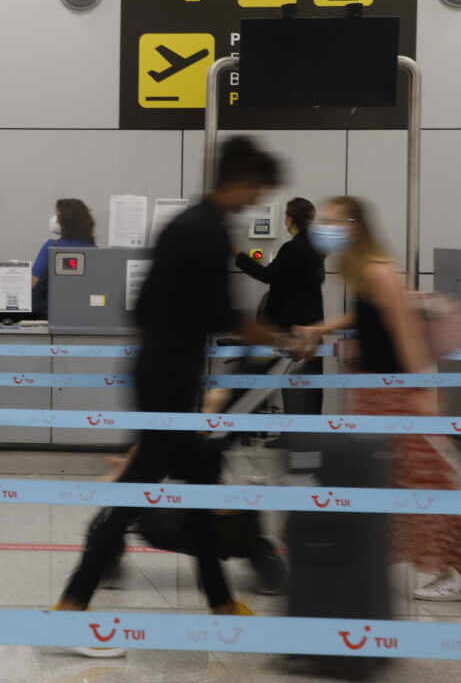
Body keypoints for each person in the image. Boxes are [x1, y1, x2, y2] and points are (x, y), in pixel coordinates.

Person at [54, 136, 287, 656]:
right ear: (241, 179)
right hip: (168, 380)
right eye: (257, 190)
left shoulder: (189, 224)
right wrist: (282, 337)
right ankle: (72, 604)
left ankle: (221, 605)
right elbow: (223, 316)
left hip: (163, 372)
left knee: (201, 490)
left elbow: (141, 309)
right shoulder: (204, 231)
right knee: (136, 492)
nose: (256, 201)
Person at [297, 196, 461, 602]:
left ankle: (456, 571)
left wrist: (422, 393)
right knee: (379, 477)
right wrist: (323, 328)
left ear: (355, 226)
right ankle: (372, 555)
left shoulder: (379, 270)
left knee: (423, 479)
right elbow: (367, 317)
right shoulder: (362, 273)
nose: (326, 228)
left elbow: (406, 330)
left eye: (333, 221)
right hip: (375, 393)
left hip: (396, 394)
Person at [235, 196, 325, 416]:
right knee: (307, 385)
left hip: (292, 329)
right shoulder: (316, 249)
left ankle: (295, 436)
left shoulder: (292, 248)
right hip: (311, 326)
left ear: (288, 219)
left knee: (293, 383)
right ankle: (301, 436)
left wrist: (240, 257)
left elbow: (267, 276)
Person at [31, 198, 96, 315]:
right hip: (86, 314)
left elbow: (32, 283)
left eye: (58, 215)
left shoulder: (51, 247)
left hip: (52, 313)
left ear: (64, 222)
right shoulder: (95, 251)